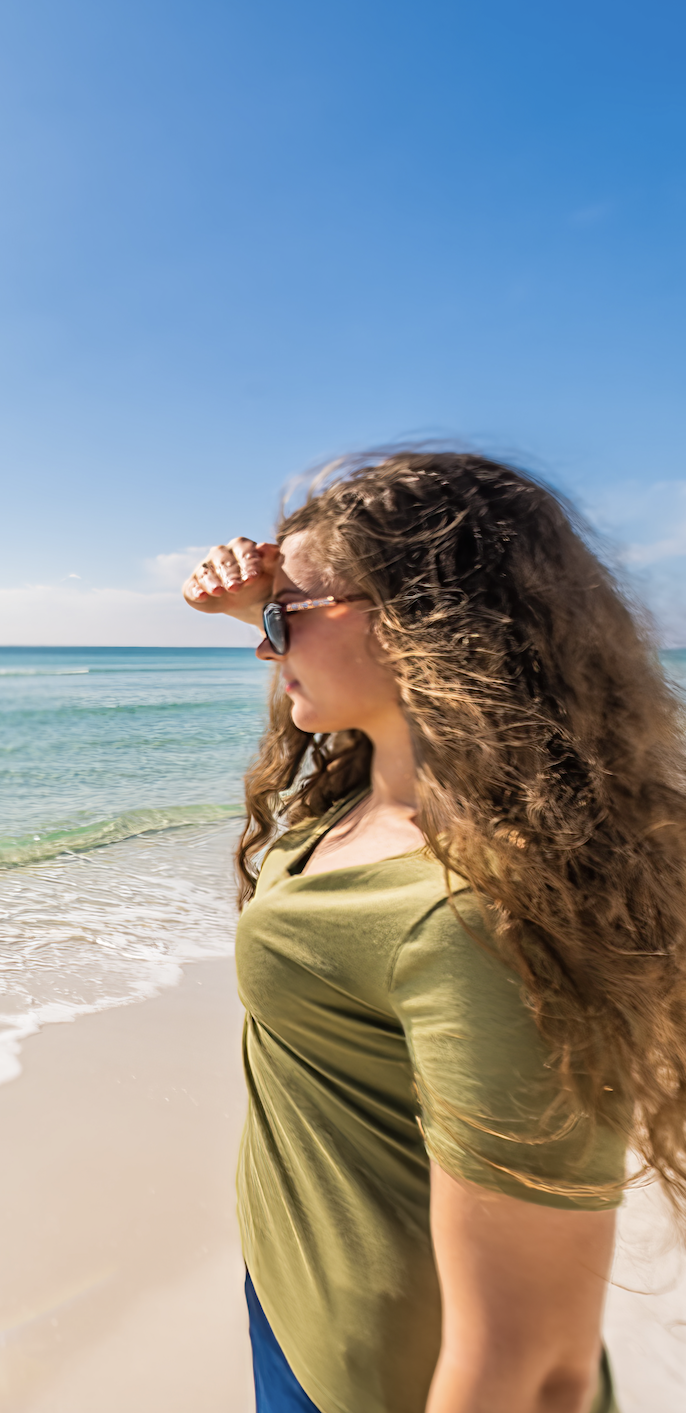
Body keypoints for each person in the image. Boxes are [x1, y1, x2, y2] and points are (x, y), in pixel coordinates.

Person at [183, 450, 686, 1413]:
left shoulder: (478, 915)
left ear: (422, 628)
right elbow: (342, 655)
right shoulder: (379, 782)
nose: (264, 646)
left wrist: (290, 609)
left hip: (376, 1378)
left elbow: (537, 1368)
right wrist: (271, 604)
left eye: (285, 619)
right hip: (302, 1304)